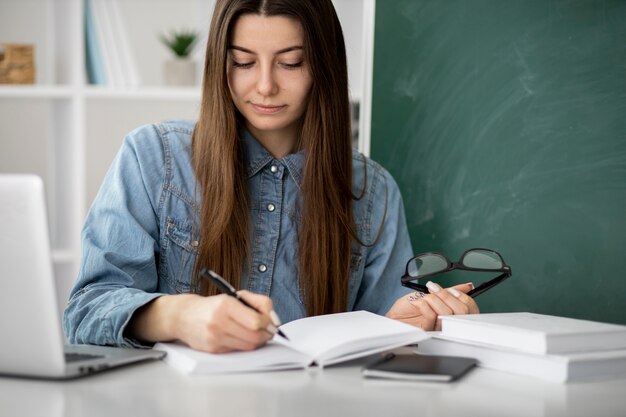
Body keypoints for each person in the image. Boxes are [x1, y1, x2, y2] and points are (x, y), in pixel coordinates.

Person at [64, 0, 478, 354]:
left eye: (291, 62)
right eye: (243, 62)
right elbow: (86, 311)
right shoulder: (152, 158)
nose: (264, 86)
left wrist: (411, 325)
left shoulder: (372, 192)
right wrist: (179, 315)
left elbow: (382, 345)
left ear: (323, 65)